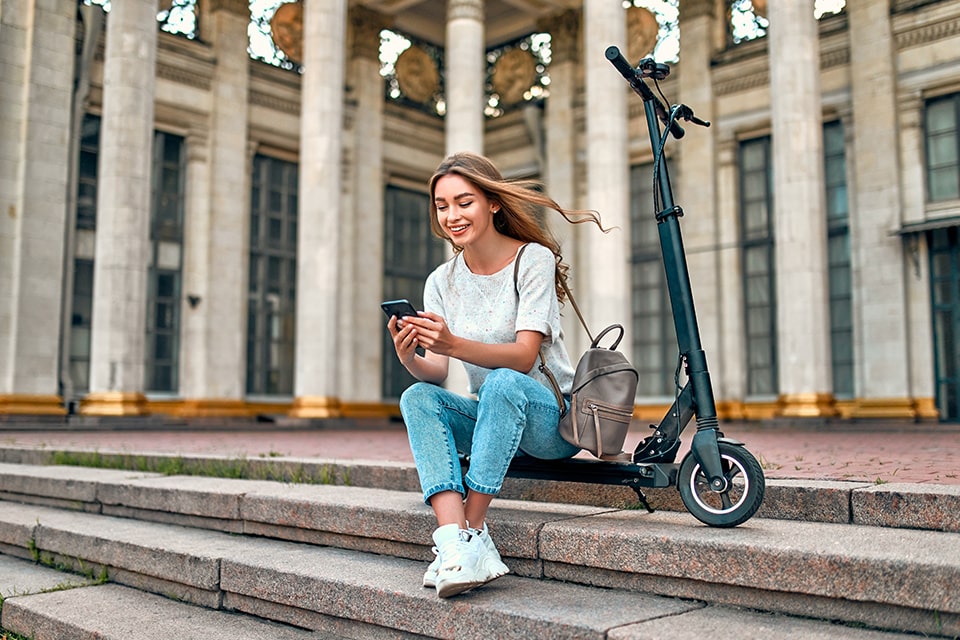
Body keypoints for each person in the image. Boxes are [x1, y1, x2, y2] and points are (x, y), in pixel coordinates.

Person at [386, 151, 606, 598]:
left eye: (464, 202)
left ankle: (473, 529)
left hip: (551, 422)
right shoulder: (441, 281)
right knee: (416, 398)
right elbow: (436, 371)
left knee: (505, 381)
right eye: (442, 205)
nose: (451, 215)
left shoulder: (533, 260)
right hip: (491, 418)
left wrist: (451, 342)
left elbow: (524, 357)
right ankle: (454, 541)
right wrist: (409, 355)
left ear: (493, 203)